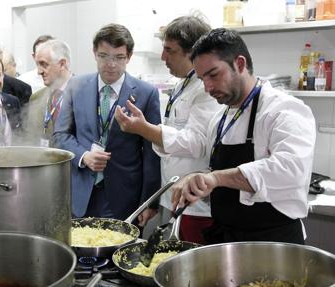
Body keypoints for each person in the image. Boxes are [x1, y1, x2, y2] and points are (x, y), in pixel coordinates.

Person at [122, 28, 316, 244]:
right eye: (203, 78)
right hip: (227, 239)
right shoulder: (221, 118)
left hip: (273, 242)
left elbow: (291, 171)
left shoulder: (283, 110)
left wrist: (215, 178)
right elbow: (217, 171)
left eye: (213, 75)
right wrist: (197, 180)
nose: (208, 87)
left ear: (240, 64)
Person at [114, 15, 220, 244]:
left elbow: (197, 142)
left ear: (192, 52)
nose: (163, 57)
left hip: (195, 205)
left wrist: (145, 130)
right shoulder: (183, 83)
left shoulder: (205, 89)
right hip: (174, 196)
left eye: (169, 50)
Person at [53, 24, 161, 223]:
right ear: (94, 53)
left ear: (129, 56)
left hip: (124, 196)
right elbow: (60, 135)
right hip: (81, 191)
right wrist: (83, 156)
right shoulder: (76, 86)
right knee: (80, 250)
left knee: (119, 252)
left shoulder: (147, 93)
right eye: (104, 56)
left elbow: (152, 152)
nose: (111, 64)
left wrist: (149, 202)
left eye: (118, 57)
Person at [26, 39, 73, 147]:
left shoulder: (84, 94)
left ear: (62, 64)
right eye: (37, 65)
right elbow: (30, 139)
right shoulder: (36, 98)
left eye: (44, 64)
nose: (39, 71)